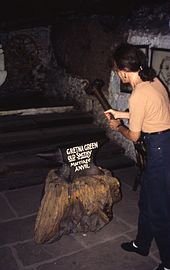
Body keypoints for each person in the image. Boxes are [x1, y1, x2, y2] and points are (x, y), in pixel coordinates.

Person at [104, 43, 170, 270]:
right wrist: (118, 113)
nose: (116, 73)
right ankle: (142, 244)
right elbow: (144, 112)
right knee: (147, 201)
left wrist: (118, 127)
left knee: (159, 209)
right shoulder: (153, 81)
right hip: (164, 143)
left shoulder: (138, 94)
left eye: (116, 69)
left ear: (123, 70)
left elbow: (133, 135)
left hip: (160, 149)